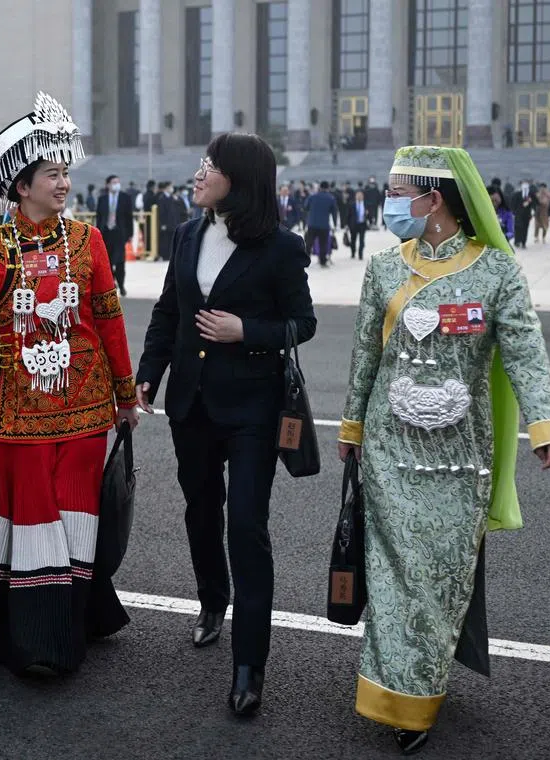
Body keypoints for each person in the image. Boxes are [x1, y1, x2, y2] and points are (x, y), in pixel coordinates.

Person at [338, 145, 550, 755]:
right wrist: (351, 428)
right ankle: (402, 701)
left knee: (439, 578)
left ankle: (422, 681)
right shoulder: (385, 269)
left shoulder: (495, 272)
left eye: (395, 192)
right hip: (390, 452)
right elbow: (366, 355)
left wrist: (547, 426)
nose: (388, 203)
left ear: (432, 199)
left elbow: (524, 352)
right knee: (392, 575)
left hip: (458, 459)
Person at [0, 92, 137, 676]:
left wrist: (126, 395)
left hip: (88, 407)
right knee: (39, 523)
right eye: (52, 174)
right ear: (22, 186)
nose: (64, 183)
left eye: (66, 173)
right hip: (20, 413)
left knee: (76, 516)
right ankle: (43, 643)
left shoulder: (89, 241)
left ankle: (75, 621)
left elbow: (109, 319)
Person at [136, 132, 316, 717]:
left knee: (246, 525)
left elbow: (302, 323)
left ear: (238, 180)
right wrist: (148, 375)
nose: (199, 173)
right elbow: (169, 312)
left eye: (210, 166)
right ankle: (212, 600)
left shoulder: (281, 249)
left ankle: (249, 665)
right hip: (191, 402)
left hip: (253, 408)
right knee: (199, 508)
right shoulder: (188, 235)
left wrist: (249, 332)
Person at [95, 174, 134, 295]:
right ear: (108, 185)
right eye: (113, 182)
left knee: (120, 261)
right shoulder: (102, 198)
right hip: (106, 233)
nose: (116, 184)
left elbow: (129, 217)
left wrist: (130, 234)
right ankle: (112, 283)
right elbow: (99, 217)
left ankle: (121, 284)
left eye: (118, 182)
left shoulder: (125, 197)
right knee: (108, 262)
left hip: (119, 233)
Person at [304, 180, 338, 266]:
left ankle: (305, 261)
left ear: (320, 187)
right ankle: (323, 261)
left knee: (309, 243)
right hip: (324, 225)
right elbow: (334, 212)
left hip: (312, 224)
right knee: (323, 244)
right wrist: (335, 224)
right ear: (328, 188)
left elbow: (306, 207)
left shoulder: (312, 197)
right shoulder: (331, 198)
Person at [156, 180, 181, 262]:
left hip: (172, 222)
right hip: (165, 223)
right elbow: (161, 212)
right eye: (171, 187)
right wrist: (163, 223)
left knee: (171, 239)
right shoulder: (162, 198)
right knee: (165, 240)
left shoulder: (171, 197)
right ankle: (165, 255)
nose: (172, 189)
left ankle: (170, 255)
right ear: (167, 188)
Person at [510, 178, 534, 248]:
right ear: (521, 185)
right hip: (518, 214)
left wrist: (531, 202)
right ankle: (517, 241)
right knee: (518, 227)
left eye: (526, 184)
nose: (525, 185)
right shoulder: (517, 194)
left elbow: (536, 203)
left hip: (527, 215)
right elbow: (513, 204)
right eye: (523, 183)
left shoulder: (531, 194)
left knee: (525, 229)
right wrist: (513, 212)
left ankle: (523, 242)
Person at [348, 189, 368, 260]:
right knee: (353, 240)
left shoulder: (366, 204)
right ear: (355, 196)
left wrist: (368, 214)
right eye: (358, 195)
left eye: (361, 195)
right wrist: (347, 225)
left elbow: (370, 216)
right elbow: (348, 215)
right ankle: (353, 253)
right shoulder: (352, 204)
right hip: (354, 225)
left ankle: (360, 254)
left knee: (361, 240)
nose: (359, 196)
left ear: (363, 196)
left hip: (362, 224)